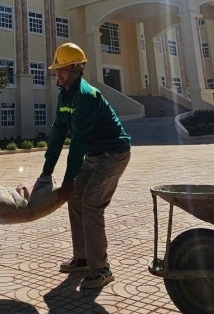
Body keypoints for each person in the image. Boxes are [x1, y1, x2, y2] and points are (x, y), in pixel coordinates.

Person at [40, 42, 131, 289]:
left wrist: (68, 180)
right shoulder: (64, 95)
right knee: (75, 199)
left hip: (113, 153)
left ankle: (101, 268)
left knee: (91, 203)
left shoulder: (86, 95)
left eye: (63, 69)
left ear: (77, 69)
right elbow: (58, 133)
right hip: (94, 154)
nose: (58, 74)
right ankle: (82, 258)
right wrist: (46, 173)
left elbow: (78, 142)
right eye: (56, 69)